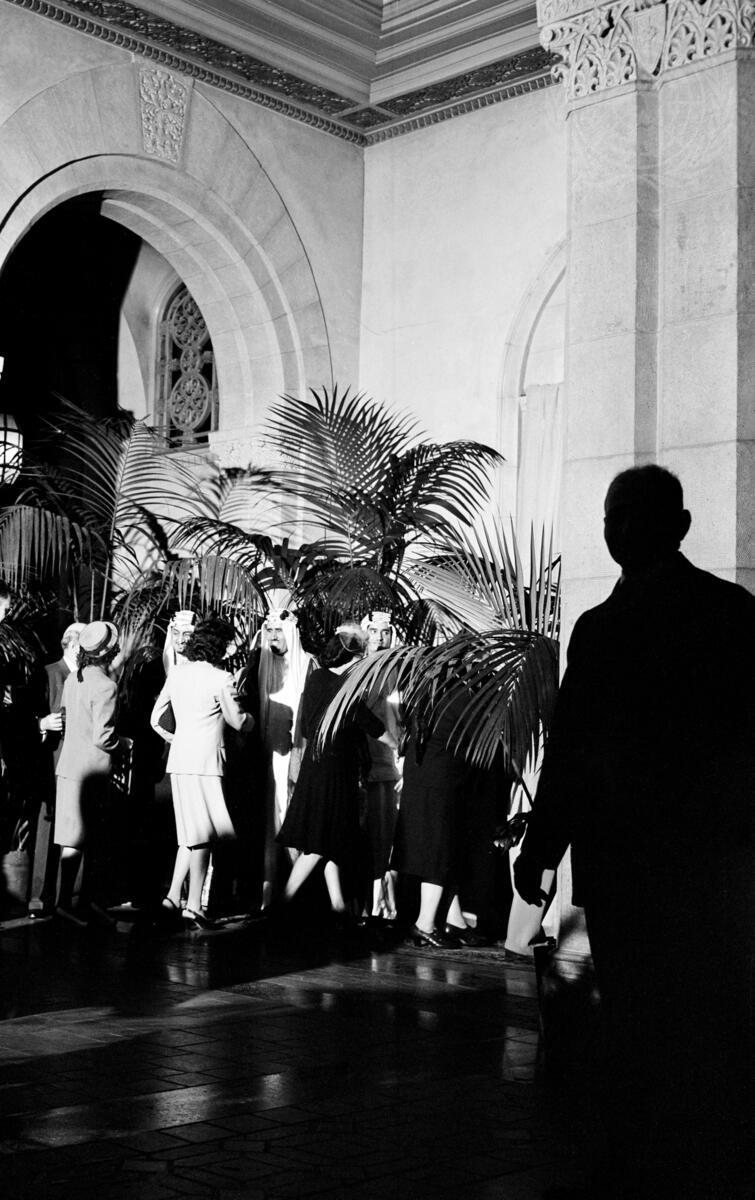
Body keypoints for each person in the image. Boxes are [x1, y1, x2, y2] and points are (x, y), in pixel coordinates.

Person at [515, 465, 755, 1200]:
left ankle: (648, 1160)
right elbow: (573, 749)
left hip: (653, 858)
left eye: (630, 515)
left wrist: (542, 846)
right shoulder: (727, 612)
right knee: (682, 1012)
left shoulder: (609, 628)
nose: (619, 529)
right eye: (612, 516)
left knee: (648, 1014)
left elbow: (574, 751)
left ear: (676, 527)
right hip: (694, 856)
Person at [277, 623, 387, 921]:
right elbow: (372, 725)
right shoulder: (343, 686)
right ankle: (283, 902)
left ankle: (338, 906)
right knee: (319, 841)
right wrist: (397, 744)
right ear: (351, 656)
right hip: (333, 770)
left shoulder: (316, 679)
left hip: (317, 767)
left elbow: (308, 726)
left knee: (331, 838)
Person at [150, 615, 254, 930]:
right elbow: (238, 721)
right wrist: (251, 719)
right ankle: (194, 905)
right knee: (203, 835)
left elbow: (156, 718)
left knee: (191, 834)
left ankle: (175, 896)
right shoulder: (221, 678)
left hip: (180, 762)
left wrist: (178, 739)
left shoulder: (177, 674)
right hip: (206, 765)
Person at [391, 693, 490, 948]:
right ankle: (424, 924)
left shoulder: (430, 692)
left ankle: (454, 920)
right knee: (440, 850)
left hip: (429, 772)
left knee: (445, 849)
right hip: (440, 777)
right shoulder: (460, 696)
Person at [54, 620, 130, 925]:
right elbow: (104, 737)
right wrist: (124, 743)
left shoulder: (74, 679)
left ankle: (71, 902)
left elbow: (66, 718)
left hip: (69, 767)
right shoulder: (106, 686)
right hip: (92, 772)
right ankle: (75, 903)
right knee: (90, 840)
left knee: (72, 839)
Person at [27, 622, 85, 917]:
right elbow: (27, 713)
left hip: (78, 763)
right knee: (46, 829)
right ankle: (40, 897)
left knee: (74, 829)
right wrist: (42, 723)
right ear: (73, 645)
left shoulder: (89, 678)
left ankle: (68, 899)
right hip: (52, 762)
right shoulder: (50, 673)